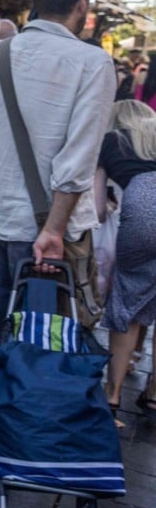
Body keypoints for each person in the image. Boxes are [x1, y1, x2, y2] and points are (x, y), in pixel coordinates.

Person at [0, 0, 115, 457]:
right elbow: (78, 158)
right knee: (56, 328)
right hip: (54, 228)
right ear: (83, 6)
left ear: (33, 2)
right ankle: (37, 424)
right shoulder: (94, 63)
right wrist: (55, 228)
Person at [95, 100, 156, 417]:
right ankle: (154, 394)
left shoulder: (111, 140)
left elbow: (96, 209)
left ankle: (113, 394)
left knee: (128, 298)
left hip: (143, 207)